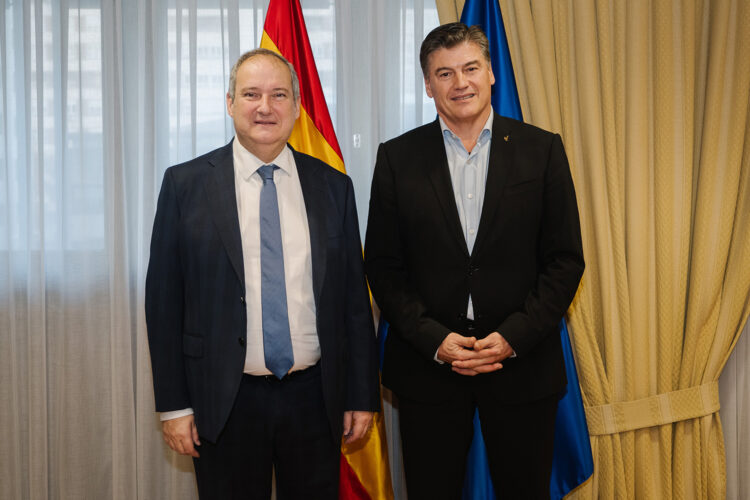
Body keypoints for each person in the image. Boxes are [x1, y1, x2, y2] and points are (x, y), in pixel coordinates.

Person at [145, 48, 379, 500]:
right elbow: (163, 304)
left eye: (278, 94)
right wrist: (174, 405)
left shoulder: (334, 187)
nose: (265, 107)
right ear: (230, 102)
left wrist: (361, 395)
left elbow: (353, 300)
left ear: (295, 106)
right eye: (251, 94)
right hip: (224, 400)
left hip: (316, 398)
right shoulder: (184, 185)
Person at [364, 23, 584, 499]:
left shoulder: (542, 150)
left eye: (470, 68)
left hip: (522, 366)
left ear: (491, 74)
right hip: (429, 369)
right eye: (444, 73)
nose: (459, 83)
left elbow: (565, 260)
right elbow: (383, 267)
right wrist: (435, 340)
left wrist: (512, 338)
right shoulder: (397, 158)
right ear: (428, 85)